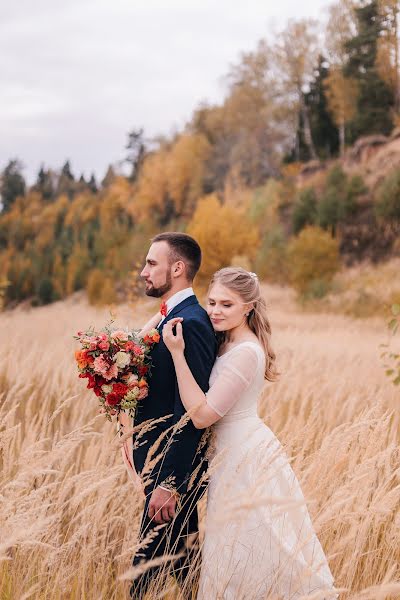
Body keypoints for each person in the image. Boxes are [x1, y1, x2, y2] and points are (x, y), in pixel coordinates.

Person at [162, 266, 339, 600]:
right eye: (211, 302)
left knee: (253, 543)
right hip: (228, 454)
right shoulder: (224, 341)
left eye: (226, 305)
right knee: (233, 543)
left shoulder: (246, 353)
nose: (215, 310)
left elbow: (201, 415)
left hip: (245, 457)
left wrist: (176, 354)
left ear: (249, 307)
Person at [129, 232, 217, 599]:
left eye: (152, 263)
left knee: (141, 582)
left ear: (177, 268)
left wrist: (169, 484)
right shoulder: (170, 315)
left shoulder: (190, 323)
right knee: (186, 568)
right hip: (163, 471)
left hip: (172, 476)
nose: (144, 272)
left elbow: (190, 412)